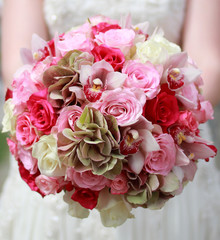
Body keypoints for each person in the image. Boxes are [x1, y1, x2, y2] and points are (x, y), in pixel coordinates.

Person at [0, 0, 220, 239]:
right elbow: (17, 59)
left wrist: (145, 126)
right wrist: (74, 126)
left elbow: (208, 61)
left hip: (162, 142)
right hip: (65, 141)